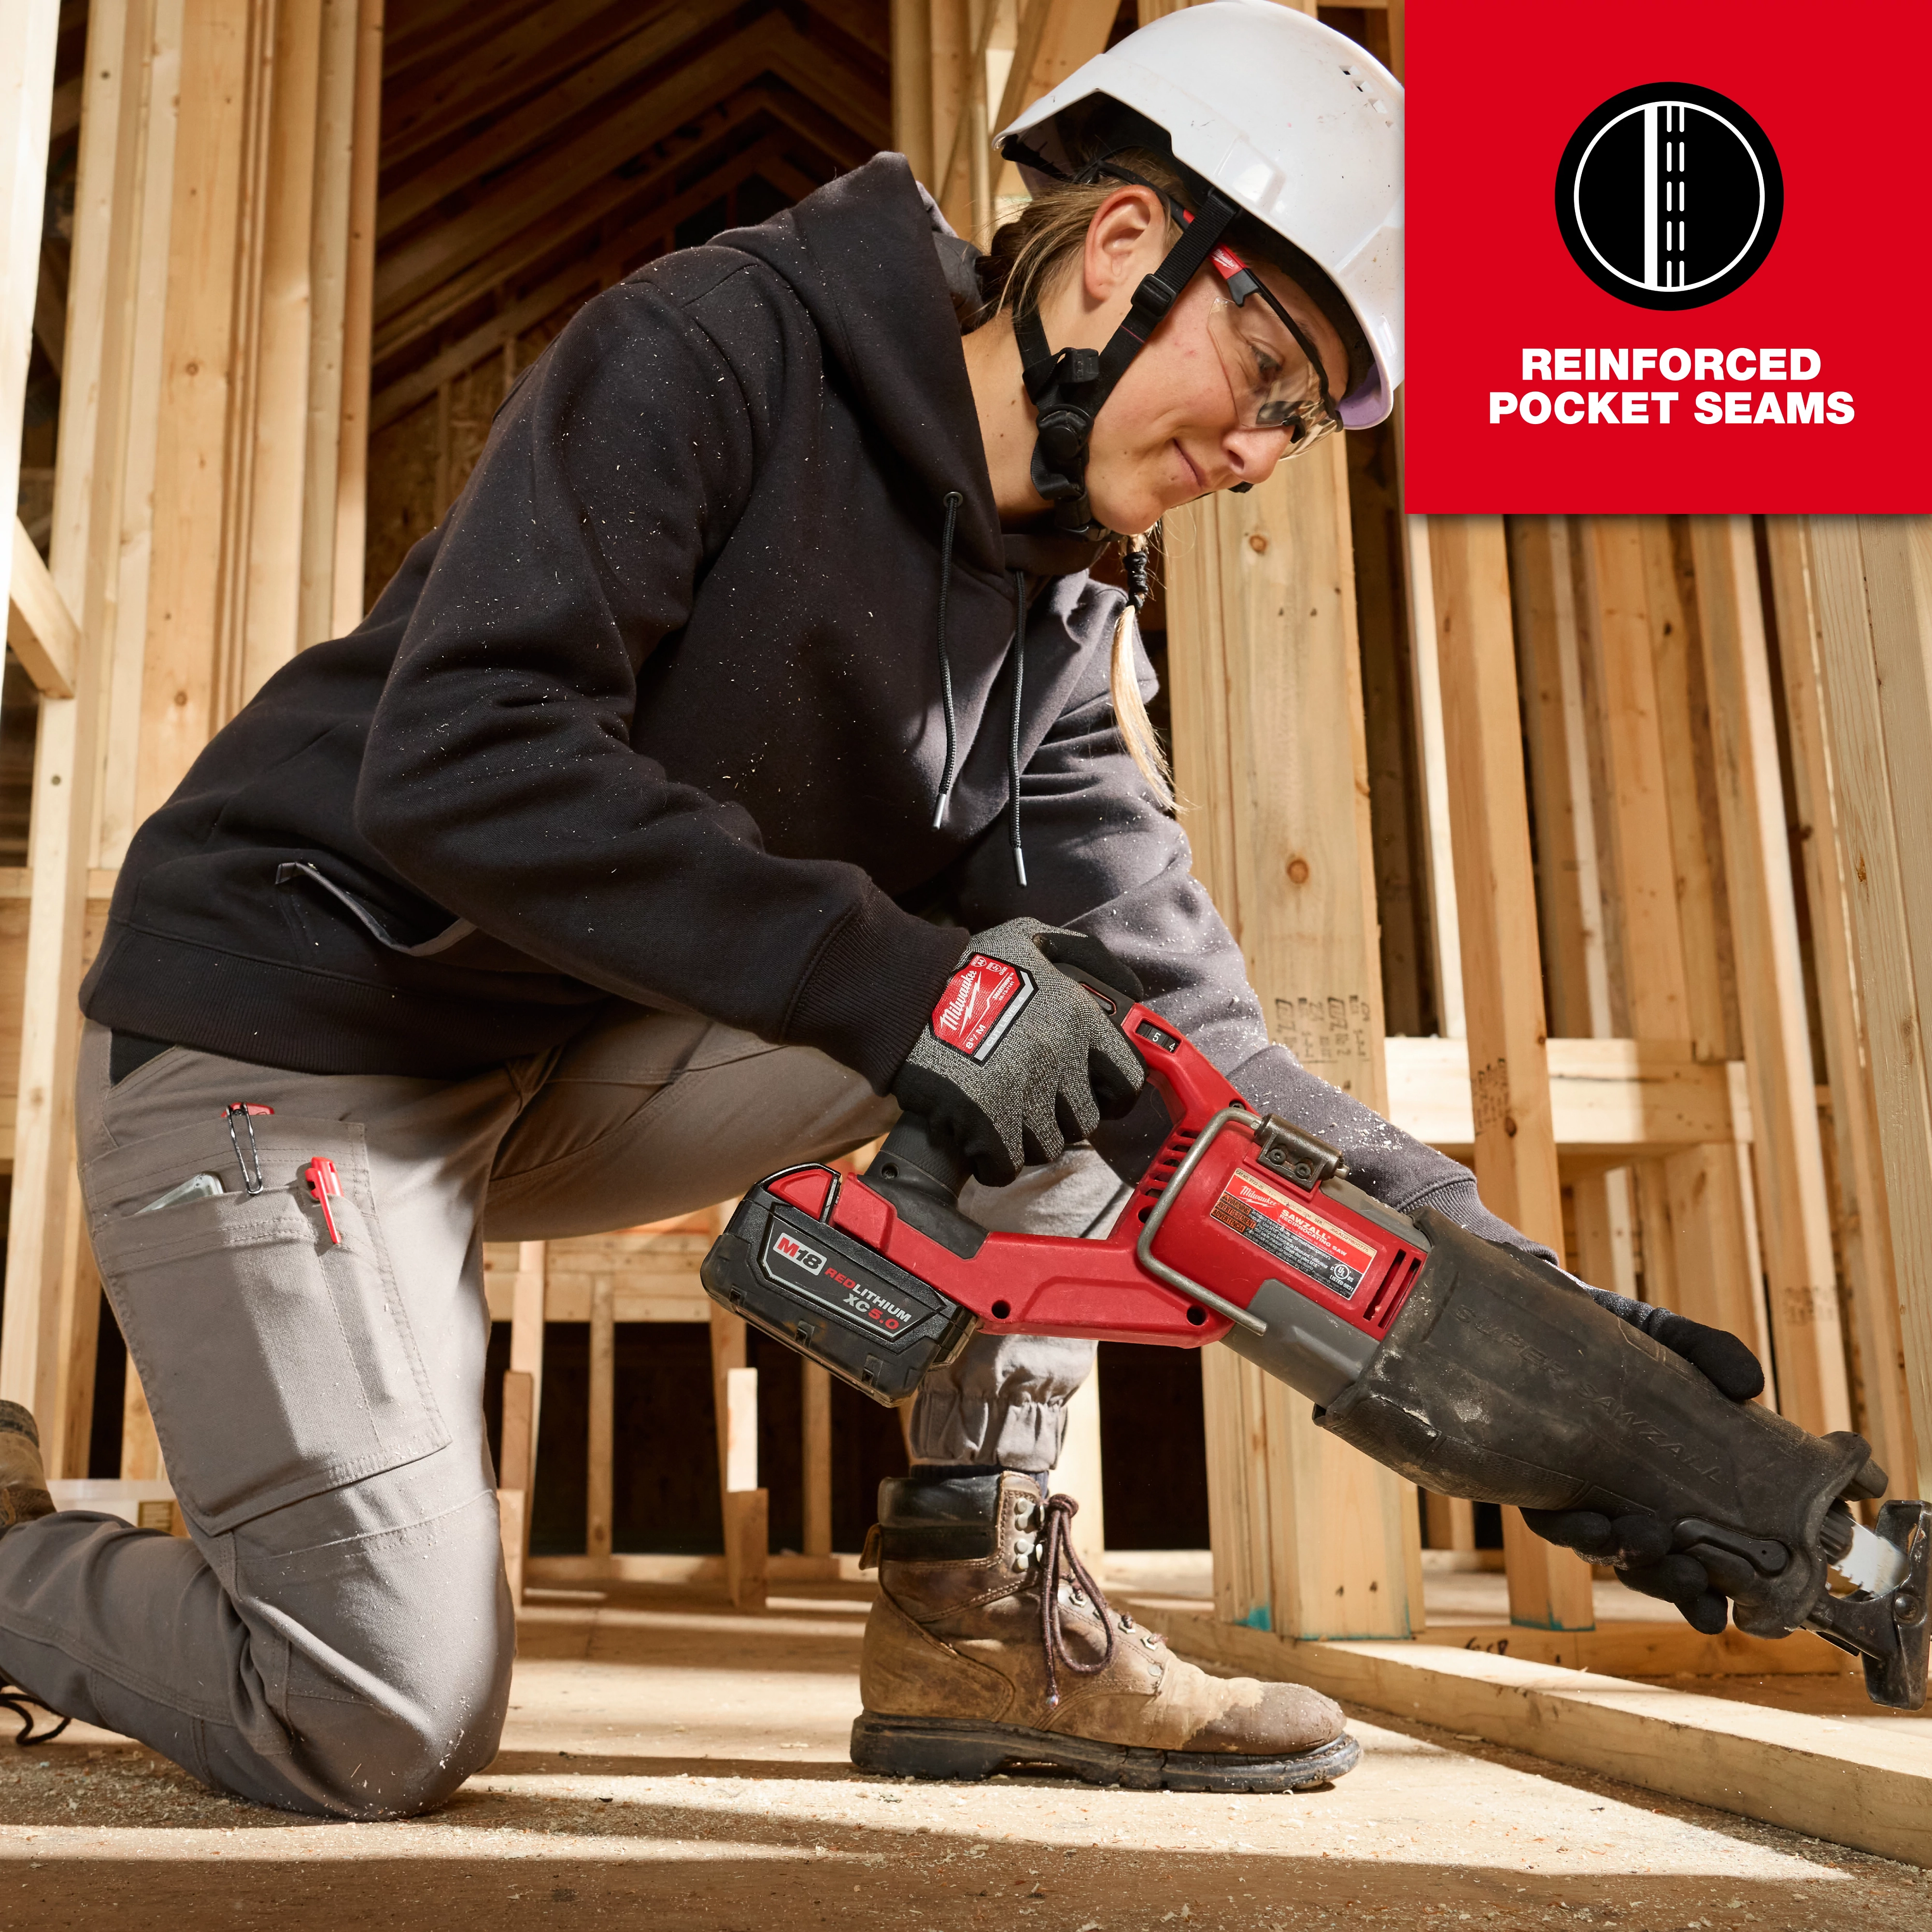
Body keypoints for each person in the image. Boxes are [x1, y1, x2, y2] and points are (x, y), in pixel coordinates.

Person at [0, 2, 1758, 1814]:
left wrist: (1553, 1342)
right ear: (1128, 251)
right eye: (1272, 369)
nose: (1264, 449)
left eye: (1307, 425)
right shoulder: (720, 343)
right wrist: (906, 992)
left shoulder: (1063, 629)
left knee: (1091, 1036)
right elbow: (460, 757)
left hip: (549, 1060)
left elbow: (1199, 1053)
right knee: (374, 1717)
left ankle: (980, 1616)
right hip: (281, 1040)